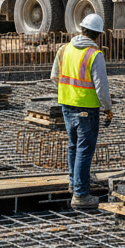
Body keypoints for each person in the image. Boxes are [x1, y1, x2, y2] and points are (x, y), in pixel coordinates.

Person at [50, 11, 114, 208]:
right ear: (98, 34)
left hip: (66, 105)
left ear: (82, 28)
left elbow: (54, 76)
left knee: (73, 146)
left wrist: (68, 93)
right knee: (84, 150)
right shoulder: (94, 54)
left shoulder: (64, 49)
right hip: (86, 109)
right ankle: (80, 194)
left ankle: (73, 183)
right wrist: (108, 108)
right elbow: (101, 87)